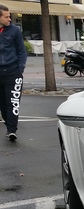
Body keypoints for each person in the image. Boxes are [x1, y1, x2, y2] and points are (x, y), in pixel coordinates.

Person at [0, 4, 26, 142]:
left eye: (9, 16)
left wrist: (20, 68)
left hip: (13, 72)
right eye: (6, 17)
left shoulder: (14, 31)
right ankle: (7, 123)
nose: (9, 19)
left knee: (13, 102)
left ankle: (12, 130)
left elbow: (22, 51)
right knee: (2, 104)